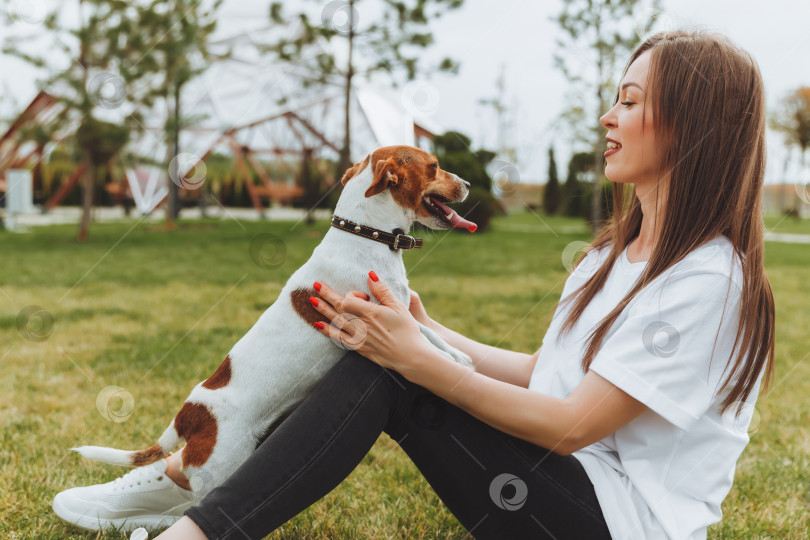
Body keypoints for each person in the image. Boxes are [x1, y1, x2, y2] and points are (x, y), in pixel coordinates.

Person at [53, 28, 775, 540]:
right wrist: (423, 333)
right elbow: (548, 375)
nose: (606, 116)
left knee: (393, 375)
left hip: (617, 523)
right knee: (383, 356)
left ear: (693, 126)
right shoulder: (610, 257)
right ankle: (186, 476)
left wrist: (416, 360)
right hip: (568, 489)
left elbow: (572, 425)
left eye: (629, 100)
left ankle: (189, 519)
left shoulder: (709, 279)